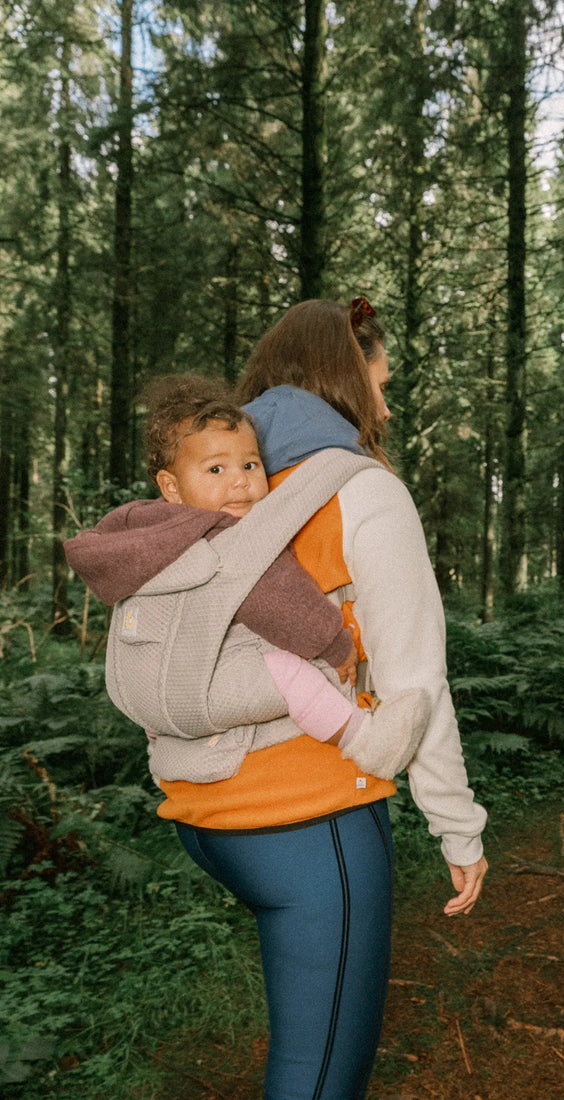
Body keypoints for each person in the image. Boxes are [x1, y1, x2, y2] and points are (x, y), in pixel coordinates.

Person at [153, 296, 487, 1100]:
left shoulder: (219, 482)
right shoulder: (360, 491)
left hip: (203, 812)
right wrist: (458, 826)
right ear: (344, 377)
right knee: (319, 1079)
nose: (386, 400)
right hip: (310, 823)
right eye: (380, 379)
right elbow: (414, 683)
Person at [64, 375, 425, 781]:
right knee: (295, 674)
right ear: (171, 486)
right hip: (208, 689)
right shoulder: (226, 535)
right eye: (216, 468)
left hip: (150, 693)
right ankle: (368, 743)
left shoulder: (145, 533)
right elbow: (278, 598)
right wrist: (334, 643)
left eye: (250, 464)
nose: (240, 480)